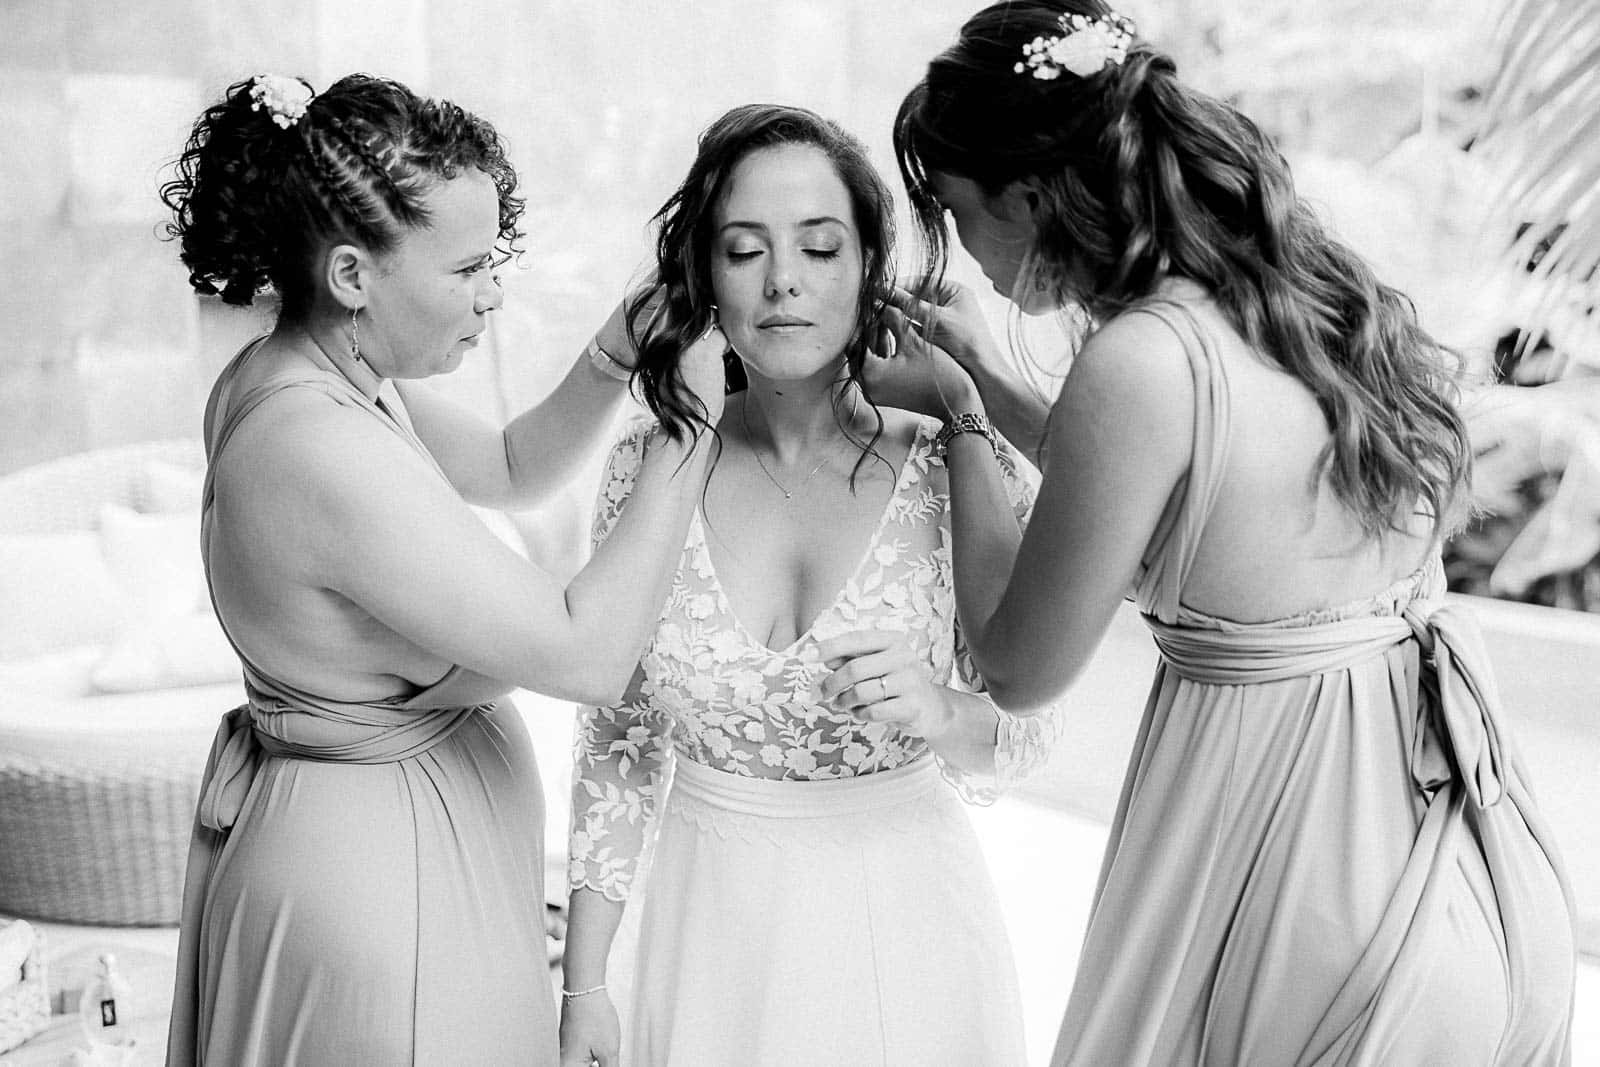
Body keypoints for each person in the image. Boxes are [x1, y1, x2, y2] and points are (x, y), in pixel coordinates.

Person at [868, 3, 1579, 1063]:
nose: (964, 249)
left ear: (1026, 195)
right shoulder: (1298, 296)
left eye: (959, 210)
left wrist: (963, 418)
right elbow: (1171, 485)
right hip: (1438, 850)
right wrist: (996, 379)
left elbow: (1016, 667)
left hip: (1287, 867)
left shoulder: (1138, 361)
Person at [159, 72, 726, 1065]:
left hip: (398, 869)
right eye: (467, 269)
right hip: (384, 899)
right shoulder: (315, 446)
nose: (492, 294)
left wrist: (610, 354)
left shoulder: (318, 371)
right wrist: (691, 427)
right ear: (352, 275)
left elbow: (511, 465)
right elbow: (585, 653)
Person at [557, 104, 1060, 1067]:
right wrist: (584, 984)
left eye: (821, 249)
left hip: (910, 943)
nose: (783, 279)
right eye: (745, 249)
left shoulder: (956, 457)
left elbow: (1030, 728)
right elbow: (617, 737)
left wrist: (940, 708)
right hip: (706, 942)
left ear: (870, 265)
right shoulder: (644, 465)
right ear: (704, 272)